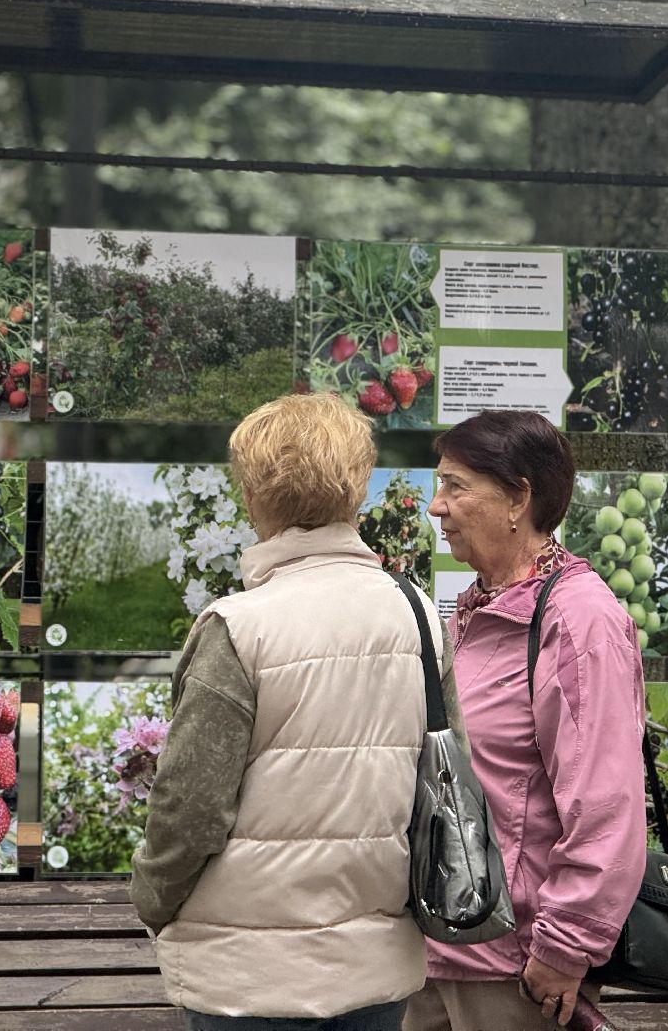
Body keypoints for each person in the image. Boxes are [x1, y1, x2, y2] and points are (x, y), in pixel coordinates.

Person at [131, 391, 470, 1031]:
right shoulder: (419, 617)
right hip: (375, 968)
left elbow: (190, 807)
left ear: (254, 495)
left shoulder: (237, 628)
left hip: (247, 978)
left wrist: (153, 899)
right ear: (358, 491)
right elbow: (445, 774)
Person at [404, 410, 647, 1031]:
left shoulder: (578, 621)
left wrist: (565, 948)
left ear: (518, 498)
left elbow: (605, 803)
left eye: (456, 487)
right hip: (440, 949)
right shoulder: (476, 612)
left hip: (515, 966)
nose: (437, 507)